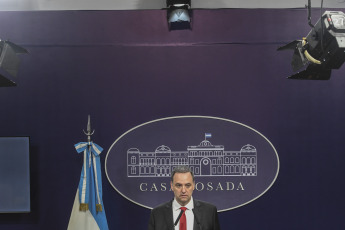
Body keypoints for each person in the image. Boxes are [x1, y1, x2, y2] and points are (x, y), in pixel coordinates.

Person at [148, 165, 221, 230]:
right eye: (179, 185)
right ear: (172, 186)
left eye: (187, 185)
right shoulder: (157, 213)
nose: (183, 190)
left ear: (193, 185)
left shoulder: (209, 212)